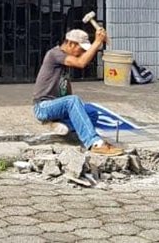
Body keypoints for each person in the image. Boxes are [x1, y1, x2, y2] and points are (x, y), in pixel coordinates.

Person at [31, 28, 125, 156]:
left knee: (91, 111)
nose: (81, 52)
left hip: (58, 107)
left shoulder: (64, 63)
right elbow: (81, 63)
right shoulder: (54, 54)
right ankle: (94, 143)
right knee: (73, 101)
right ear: (70, 43)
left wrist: (75, 108)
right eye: (80, 49)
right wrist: (97, 42)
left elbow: (66, 88)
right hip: (43, 107)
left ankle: (63, 125)